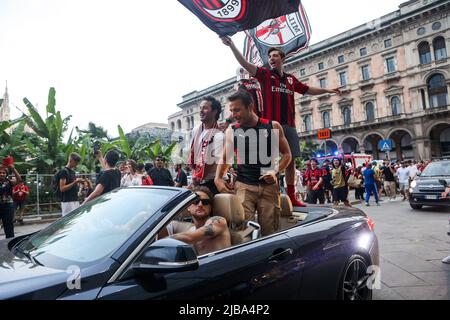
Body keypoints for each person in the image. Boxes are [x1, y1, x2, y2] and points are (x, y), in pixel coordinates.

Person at [221, 36, 342, 208]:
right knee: (267, 161)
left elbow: (308, 90)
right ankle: (270, 194)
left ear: (282, 58)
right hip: (269, 125)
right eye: (269, 56)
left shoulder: (291, 79)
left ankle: (292, 196)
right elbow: (245, 64)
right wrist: (232, 45)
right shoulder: (264, 75)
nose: (271, 59)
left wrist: (328, 90)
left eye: (275, 56)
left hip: (289, 125)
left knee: (290, 160)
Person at [215, 90, 292, 236]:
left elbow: (287, 155)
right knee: (245, 232)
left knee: (270, 232)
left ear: (250, 107)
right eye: (231, 111)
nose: (233, 115)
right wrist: (218, 178)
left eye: (237, 110)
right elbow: (225, 158)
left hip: (269, 188)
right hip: (244, 187)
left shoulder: (273, 126)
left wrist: (275, 171)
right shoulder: (232, 130)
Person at [170, 187, 231, 256]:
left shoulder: (219, 221)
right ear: (188, 207)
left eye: (205, 202)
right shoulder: (191, 230)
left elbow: (190, 238)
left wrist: (161, 241)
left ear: (210, 207)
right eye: (196, 201)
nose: (200, 204)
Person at [189, 96, 224, 195]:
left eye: (205, 108)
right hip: (197, 180)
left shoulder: (219, 135)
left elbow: (211, 160)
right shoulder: (196, 130)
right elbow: (192, 152)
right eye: (200, 108)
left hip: (212, 182)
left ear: (215, 111)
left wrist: (198, 176)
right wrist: (194, 173)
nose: (201, 111)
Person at [0, 163, 21, 238]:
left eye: (3, 173)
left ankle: (9, 243)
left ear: (6, 174)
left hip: (7, 207)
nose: (2, 174)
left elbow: (19, 180)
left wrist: (13, 169)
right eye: (0, 172)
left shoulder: (10, 182)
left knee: (9, 228)